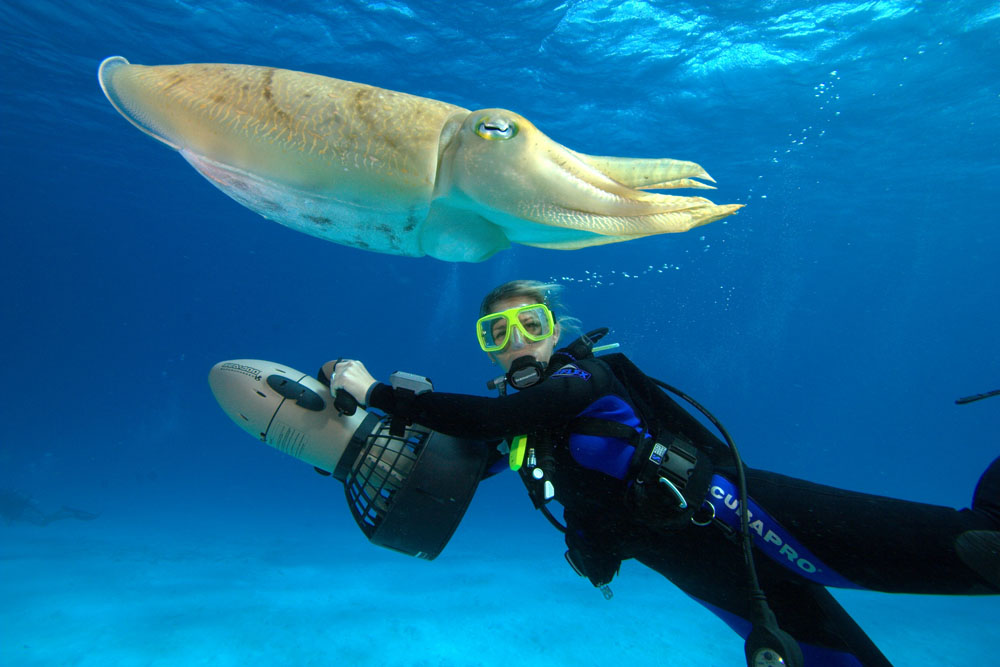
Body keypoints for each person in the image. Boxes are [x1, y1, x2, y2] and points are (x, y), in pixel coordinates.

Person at [331, 279, 1000, 666]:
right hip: (703, 568)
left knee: (981, 549)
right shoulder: (523, 431)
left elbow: (489, 417)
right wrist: (345, 451)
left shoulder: (588, 377)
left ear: (554, 329)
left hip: (746, 515)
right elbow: (452, 465)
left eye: (529, 325)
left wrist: (376, 392)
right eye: (496, 335)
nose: (517, 344)